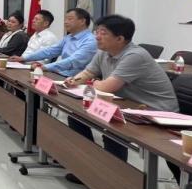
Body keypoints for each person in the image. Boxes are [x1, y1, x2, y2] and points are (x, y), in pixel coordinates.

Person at [62, 14, 178, 180]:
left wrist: (92, 83)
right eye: (96, 32)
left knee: (113, 129)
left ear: (120, 39)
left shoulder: (135, 56)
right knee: (77, 116)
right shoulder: (104, 52)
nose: (97, 36)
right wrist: (74, 80)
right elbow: (88, 72)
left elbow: (106, 87)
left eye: (103, 33)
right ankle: (88, 166)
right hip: (130, 105)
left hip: (156, 112)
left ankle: (111, 179)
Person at [12, 8, 96, 77]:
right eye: (65, 19)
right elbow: (50, 51)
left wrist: (45, 67)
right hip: (60, 74)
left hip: (76, 79)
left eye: (70, 19)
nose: (65, 22)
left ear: (82, 21)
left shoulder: (90, 41)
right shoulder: (68, 38)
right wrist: (24, 58)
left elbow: (73, 61)